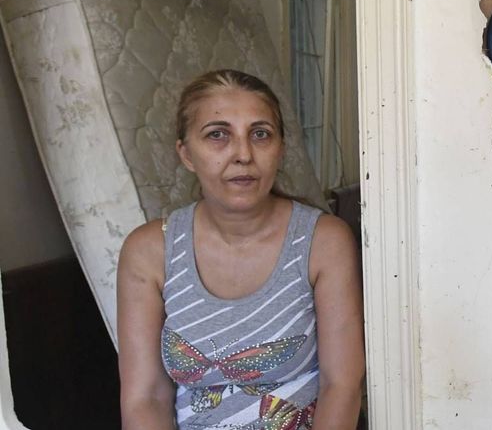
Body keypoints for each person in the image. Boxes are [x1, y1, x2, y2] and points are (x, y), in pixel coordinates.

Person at [117, 69, 364, 429]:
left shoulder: (322, 241)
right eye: (218, 135)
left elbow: (341, 385)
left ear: (279, 149)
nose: (243, 154)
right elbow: (145, 397)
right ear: (186, 154)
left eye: (260, 134)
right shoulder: (149, 251)